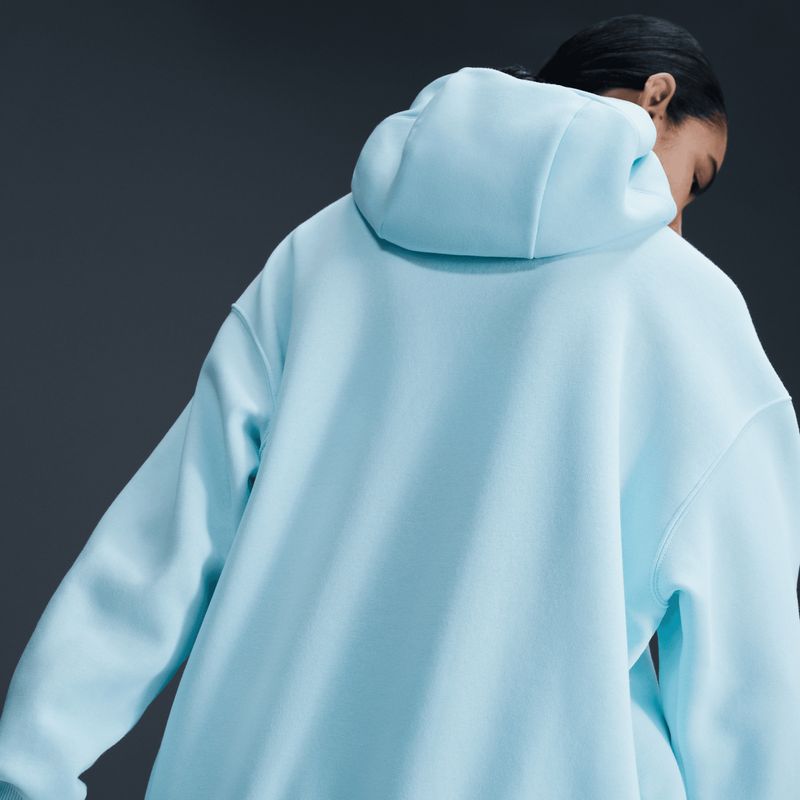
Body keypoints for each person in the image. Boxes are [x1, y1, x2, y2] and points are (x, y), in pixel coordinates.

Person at [0, 12, 798, 800]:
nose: (680, 221)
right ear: (656, 100)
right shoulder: (688, 311)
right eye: (695, 179)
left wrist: (24, 768)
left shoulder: (321, 252)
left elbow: (160, 546)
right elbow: (743, 682)